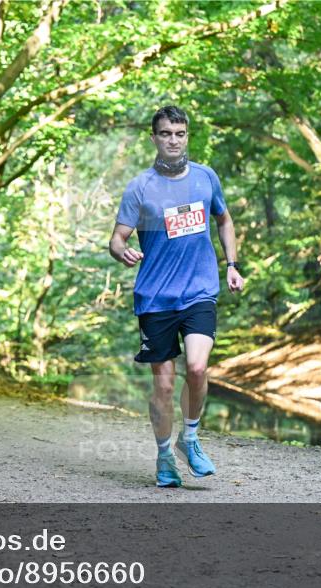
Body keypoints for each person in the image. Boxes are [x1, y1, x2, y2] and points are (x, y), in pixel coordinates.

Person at [108, 105, 245, 488]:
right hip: (155, 297)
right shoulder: (140, 187)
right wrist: (122, 251)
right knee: (165, 386)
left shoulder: (205, 178)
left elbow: (224, 219)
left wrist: (232, 264)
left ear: (187, 136)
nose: (173, 140)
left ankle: (191, 437)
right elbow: (117, 238)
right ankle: (165, 455)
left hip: (199, 291)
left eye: (180, 134)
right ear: (154, 138)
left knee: (197, 368)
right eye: (166, 134)